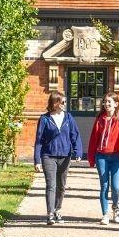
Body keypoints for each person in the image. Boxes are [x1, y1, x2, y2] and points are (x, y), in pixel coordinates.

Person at [31, 92, 82, 225]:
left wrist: (78, 152)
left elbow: (75, 135)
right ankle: (50, 213)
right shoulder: (44, 119)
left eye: (65, 102)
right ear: (55, 103)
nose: (65, 104)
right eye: (63, 102)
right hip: (48, 156)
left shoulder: (68, 118)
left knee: (61, 186)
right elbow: (39, 141)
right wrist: (37, 160)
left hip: (65, 156)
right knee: (51, 185)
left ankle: (58, 210)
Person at [87, 94, 119, 224]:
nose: (106, 104)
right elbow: (93, 139)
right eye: (105, 102)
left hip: (116, 157)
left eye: (109, 102)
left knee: (116, 186)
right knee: (104, 185)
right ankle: (105, 214)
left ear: (116, 104)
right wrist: (91, 158)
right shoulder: (100, 119)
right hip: (101, 156)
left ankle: (116, 207)